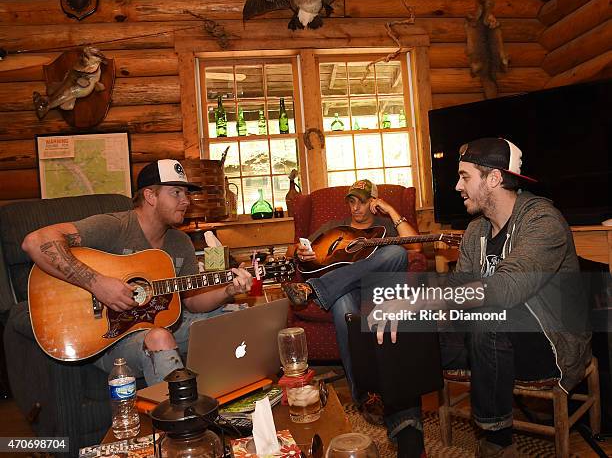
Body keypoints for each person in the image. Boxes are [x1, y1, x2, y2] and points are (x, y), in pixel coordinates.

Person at [369, 138, 591, 457]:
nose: (458, 186)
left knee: (488, 314)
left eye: (465, 176)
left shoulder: (544, 222)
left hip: (550, 343)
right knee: (400, 329)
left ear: (494, 179)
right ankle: (409, 440)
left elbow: (504, 289)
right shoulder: (477, 231)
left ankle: (496, 442)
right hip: (486, 341)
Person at [21, 159, 253, 385]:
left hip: (163, 326)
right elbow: (35, 241)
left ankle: (234, 403)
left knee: (235, 316)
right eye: (176, 193)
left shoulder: (179, 241)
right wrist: (98, 285)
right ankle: (179, 422)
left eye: (186, 194)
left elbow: (192, 302)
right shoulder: (115, 227)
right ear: (150, 196)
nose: (186, 201)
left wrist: (228, 290)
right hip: (108, 340)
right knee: (159, 337)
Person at [282, 179, 422, 421]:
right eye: (352, 202)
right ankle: (364, 396)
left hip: (376, 292)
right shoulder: (335, 228)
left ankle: (314, 288)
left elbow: (417, 248)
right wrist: (298, 251)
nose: (356, 208)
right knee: (343, 307)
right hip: (344, 291)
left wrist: (391, 210)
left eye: (362, 201)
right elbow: (289, 249)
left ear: (373, 203)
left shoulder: (385, 228)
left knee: (397, 251)